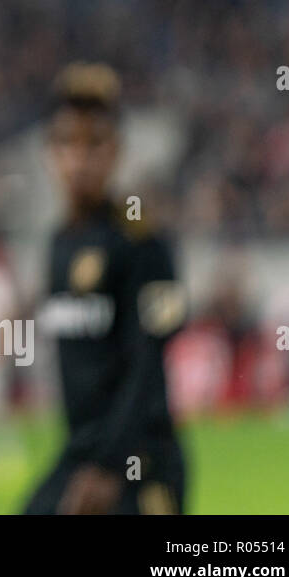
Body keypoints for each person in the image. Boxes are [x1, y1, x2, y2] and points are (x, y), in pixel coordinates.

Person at [22, 62, 189, 514]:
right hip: (81, 452)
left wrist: (109, 469)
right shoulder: (58, 242)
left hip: (139, 459)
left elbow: (147, 364)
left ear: (116, 151)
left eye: (94, 144)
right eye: (66, 144)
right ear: (48, 152)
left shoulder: (144, 244)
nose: (79, 160)